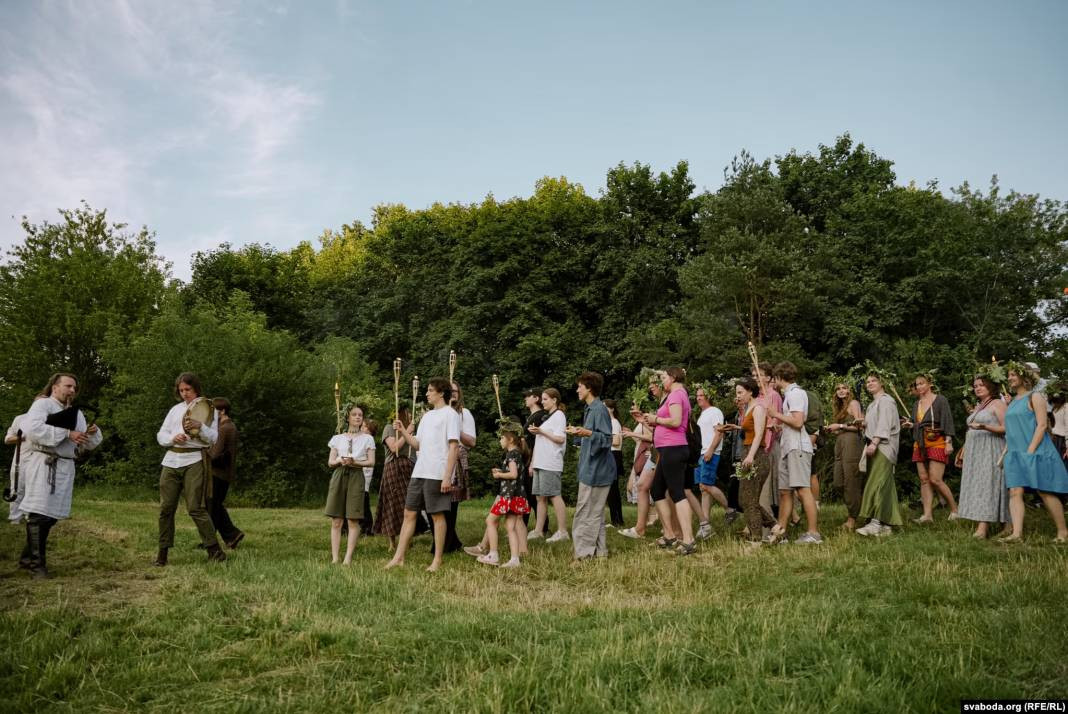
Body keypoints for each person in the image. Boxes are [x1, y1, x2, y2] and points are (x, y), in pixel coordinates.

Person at [16, 373, 102, 578]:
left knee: (50, 516)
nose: (72, 390)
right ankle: (37, 566)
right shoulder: (43, 406)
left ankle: (27, 558)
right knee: (38, 513)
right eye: (68, 386)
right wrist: (65, 433)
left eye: (75, 387)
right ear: (55, 387)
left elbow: (86, 442)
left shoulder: (76, 413)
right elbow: (31, 429)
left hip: (64, 466)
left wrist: (91, 432)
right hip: (44, 463)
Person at [386, 378, 460, 571]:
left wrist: (447, 476)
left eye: (430, 390)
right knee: (409, 512)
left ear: (441, 393)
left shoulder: (450, 415)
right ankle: (399, 557)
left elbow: (454, 447)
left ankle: (437, 560)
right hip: (419, 470)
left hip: (437, 472)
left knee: (436, 515)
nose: (426, 393)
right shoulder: (426, 416)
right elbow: (418, 444)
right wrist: (403, 431)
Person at [155, 372, 224, 566]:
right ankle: (162, 555)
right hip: (171, 460)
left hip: (194, 459)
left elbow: (214, 438)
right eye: (181, 390)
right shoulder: (175, 410)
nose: (184, 393)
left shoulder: (209, 410)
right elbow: (161, 434)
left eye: (188, 389)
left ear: (196, 389)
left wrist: (200, 426)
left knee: (195, 507)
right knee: (166, 508)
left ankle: (215, 551)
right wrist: (172, 438)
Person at [999, 365, 1068, 543]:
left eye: (1013, 374)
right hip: (1015, 453)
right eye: (1008, 375)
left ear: (1024, 377)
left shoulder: (1035, 396)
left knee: (1044, 491)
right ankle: (1016, 534)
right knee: (1015, 491)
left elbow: (1042, 425)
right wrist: (1005, 452)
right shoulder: (1013, 401)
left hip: (1035, 451)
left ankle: (1062, 532)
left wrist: (1030, 451)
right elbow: (1011, 430)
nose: (1009, 378)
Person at [640, 367, 696, 555]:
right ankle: (669, 535)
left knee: (677, 493)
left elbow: (675, 421)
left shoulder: (676, 394)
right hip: (667, 450)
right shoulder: (675, 394)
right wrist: (652, 421)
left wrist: (656, 418)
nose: (662, 382)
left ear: (672, 378)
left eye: (664, 378)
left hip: (674, 449)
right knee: (656, 490)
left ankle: (688, 540)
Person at [766, 362, 822, 544]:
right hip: (787, 447)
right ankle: (780, 533)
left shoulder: (796, 394)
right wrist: (779, 425)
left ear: (779, 377)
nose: (773, 381)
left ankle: (813, 534)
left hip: (798, 447)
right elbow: (792, 422)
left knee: (802, 490)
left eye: (774, 378)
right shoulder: (790, 394)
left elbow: (798, 422)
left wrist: (776, 414)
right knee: (784, 492)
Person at [565, 372, 615, 562]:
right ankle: (601, 553)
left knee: (586, 513)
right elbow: (592, 436)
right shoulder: (590, 409)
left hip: (597, 472)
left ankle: (583, 555)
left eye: (580, 386)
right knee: (596, 513)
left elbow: (607, 439)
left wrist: (587, 432)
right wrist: (578, 433)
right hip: (590, 469)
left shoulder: (599, 410)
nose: (577, 390)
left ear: (589, 388)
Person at [955, 376, 1009, 539]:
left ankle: (983, 527)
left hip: (991, 448)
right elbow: (971, 430)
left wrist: (985, 426)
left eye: (981, 385)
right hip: (975, 451)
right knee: (978, 484)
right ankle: (1007, 523)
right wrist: (963, 450)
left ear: (990, 387)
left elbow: (1006, 428)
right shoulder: (979, 406)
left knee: (988, 484)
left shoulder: (998, 404)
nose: (977, 388)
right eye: (975, 386)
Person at [723, 377, 775, 545]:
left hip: (756, 455)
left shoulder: (758, 407)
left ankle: (756, 540)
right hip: (748, 451)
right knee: (744, 500)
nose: (738, 396)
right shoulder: (748, 407)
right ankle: (775, 527)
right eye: (736, 392)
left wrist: (751, 456)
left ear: (750, 391)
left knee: (749, 501)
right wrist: (736, 427)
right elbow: (751, 429)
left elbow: (759, 433)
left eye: (740, 392)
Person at [475, 423, 531, 567]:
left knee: (490, 521)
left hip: (508, 496)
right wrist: (501, 470)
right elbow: (515, 473)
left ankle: (493, 554)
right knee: (510, 527)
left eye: (501, 438)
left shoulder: (511, 454)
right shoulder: (518, 454)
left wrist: (499, 474)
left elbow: (513, 474)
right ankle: (514, 559)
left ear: (510, 439)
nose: (500, 440)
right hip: (517, 496)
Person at [325, 405, 375, 564]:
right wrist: (340, 460)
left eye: (360, 415)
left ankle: (347, 558)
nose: (358, 417)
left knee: (353, 519)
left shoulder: (368, 439)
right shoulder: (337, 438)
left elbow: (371, 462)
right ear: (348, 417)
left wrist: (356, 462)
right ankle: (335, 558)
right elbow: (330, 462)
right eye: (354, 414)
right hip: (339, 475)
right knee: (337, 520)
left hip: (356, 476)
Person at [856, 372, 904, 536]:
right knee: (885, 484)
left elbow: (885, 424)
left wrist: (875, 442)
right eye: (867, 381)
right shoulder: (873, 404)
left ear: (881, 383)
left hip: (883, 447)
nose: (869, 383)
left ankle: (876, 522)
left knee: (878, 483)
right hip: (874, 445)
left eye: (873, 381)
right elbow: (874, 423)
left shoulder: (886, 401)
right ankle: (886, 525)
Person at [906, 373, 959, 523]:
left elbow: (947, 420)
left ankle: (955, 509)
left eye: (922, 383)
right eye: (917, 384)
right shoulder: (917, 404)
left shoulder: (940, 400)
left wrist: (948, 441)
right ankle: (927, 515)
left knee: (935, 479)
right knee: (924, 479)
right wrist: (910, 425)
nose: (919, 386)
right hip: (920, 443)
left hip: (937, 441)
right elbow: (916, 423)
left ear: (930, 384)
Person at [618, 372, 664, 539]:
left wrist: (634, 434)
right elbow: (657, 432)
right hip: (656, 452)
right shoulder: (662, 403)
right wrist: (641, 422)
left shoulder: (669, 402)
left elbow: (654, 436)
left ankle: (673, 531)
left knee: (670, 492)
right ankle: (641, 529)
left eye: (654, 384)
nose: (651, 387)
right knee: (643, 486)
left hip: (662, 451)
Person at [527, 388, 569, 543]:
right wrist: (533, 462)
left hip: (551, 462)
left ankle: (562, 531)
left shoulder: (559, 416)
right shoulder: (548, 418)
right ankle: (538, 530)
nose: (542, 402)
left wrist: (541, 432)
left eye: (545, 399)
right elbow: (540, 442)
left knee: (554, 495)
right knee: (540, 498)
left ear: (554, 400)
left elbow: (560, 439)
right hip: (540, 462)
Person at [441, 381, 476, 554]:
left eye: (455, 391)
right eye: (450, 391)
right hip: (439, 457)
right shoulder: (438, 413)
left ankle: (448, 543)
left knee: (452, 501)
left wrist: (456, 427)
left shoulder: (464, 413)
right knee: (438, 500)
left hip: (457, 457)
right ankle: (451, 540)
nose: (453, 393)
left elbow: (472, 442)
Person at [693, 385, 733, 539]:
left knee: (706, 485)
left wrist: (710, 450)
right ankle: (706, 525)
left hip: (710, 452)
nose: (698, 398)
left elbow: (719, 432)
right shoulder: (703, 414)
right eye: (697, 395)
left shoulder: (715, 411)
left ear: (709, 396)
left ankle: (729, 509)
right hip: (702, 453)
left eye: (701, 395)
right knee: (703, 489)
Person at [374, 407, 415, 551]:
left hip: (408, 468)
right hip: (393, 468)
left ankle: (407, 539)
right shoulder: (389, 428)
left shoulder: (412, 429)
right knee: (391, 504)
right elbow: (394, 448)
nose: (410, 416)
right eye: (408, 414)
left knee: (407, 504)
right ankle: (392, 542)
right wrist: (407, 432)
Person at [825, 382, 865, 531]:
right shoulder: (839, 407)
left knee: (851, 481)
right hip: (840, 444)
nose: (841, 391)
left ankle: (852, 518)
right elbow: (842, 428)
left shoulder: (854, 403)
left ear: (849, 390)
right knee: (838, 482)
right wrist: (833, 429)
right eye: (838, 389)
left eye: (844, 388)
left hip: (852, 445)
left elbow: (859, 426)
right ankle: (856, 509)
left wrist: (840, 426)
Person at [207, 397, 244, 549]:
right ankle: (221, 538)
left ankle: (232, 534)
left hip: (219, 473)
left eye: (213, 411)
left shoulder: (225, 428)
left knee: (213, 506)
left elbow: (215, 454)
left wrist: (203, 452)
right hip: (223, 473)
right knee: (214, 507)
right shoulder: (228, 427)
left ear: (222, 411)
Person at [522, 389, 548, 530]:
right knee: (527, 494)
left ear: (536, 398)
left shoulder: (539, 416)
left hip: (533, 459)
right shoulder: (531, 416)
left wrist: (532, 461)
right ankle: (523, 526)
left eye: (528, 396)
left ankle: (543, 526)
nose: (525, 398)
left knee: (532, 495)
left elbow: (538, 441)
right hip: (526, 458)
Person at [603, 400, 626, 528]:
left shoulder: (614, 422)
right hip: (610, 456)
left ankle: (617, 520)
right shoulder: (609, 423)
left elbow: (616, 441)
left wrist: (601, 440)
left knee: (613, 490)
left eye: (605, 407)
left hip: (614, 456)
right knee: (611, 490)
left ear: (611, 409)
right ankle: (616, 520)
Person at [359, 419, 378, 535]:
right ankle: (364, 526)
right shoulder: (362, 439)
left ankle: (368, 528)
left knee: (364, 501)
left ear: (370, 430)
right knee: (361, 501)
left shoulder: (368, 439)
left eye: (365, 427)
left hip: (364, 471)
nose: (362, 428)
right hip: (360, 470)